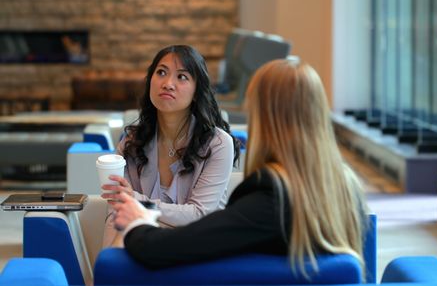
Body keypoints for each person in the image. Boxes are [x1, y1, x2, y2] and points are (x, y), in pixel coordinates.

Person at [112, 59, 367, 278]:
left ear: (266, 118)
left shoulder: (271, 197)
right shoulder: (347, 187)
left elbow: (161, 250)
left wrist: (137, 221)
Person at [102, 45, 239, 246]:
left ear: (196, 91)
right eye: (161, 72)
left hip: (198, 251)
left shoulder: (218, 144)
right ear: (150, 82)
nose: (168, 83)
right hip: (142, 250)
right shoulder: (131, 143)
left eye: (181, 77)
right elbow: (118, 211)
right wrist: (105, 269)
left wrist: (137, 202)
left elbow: (199, 215)